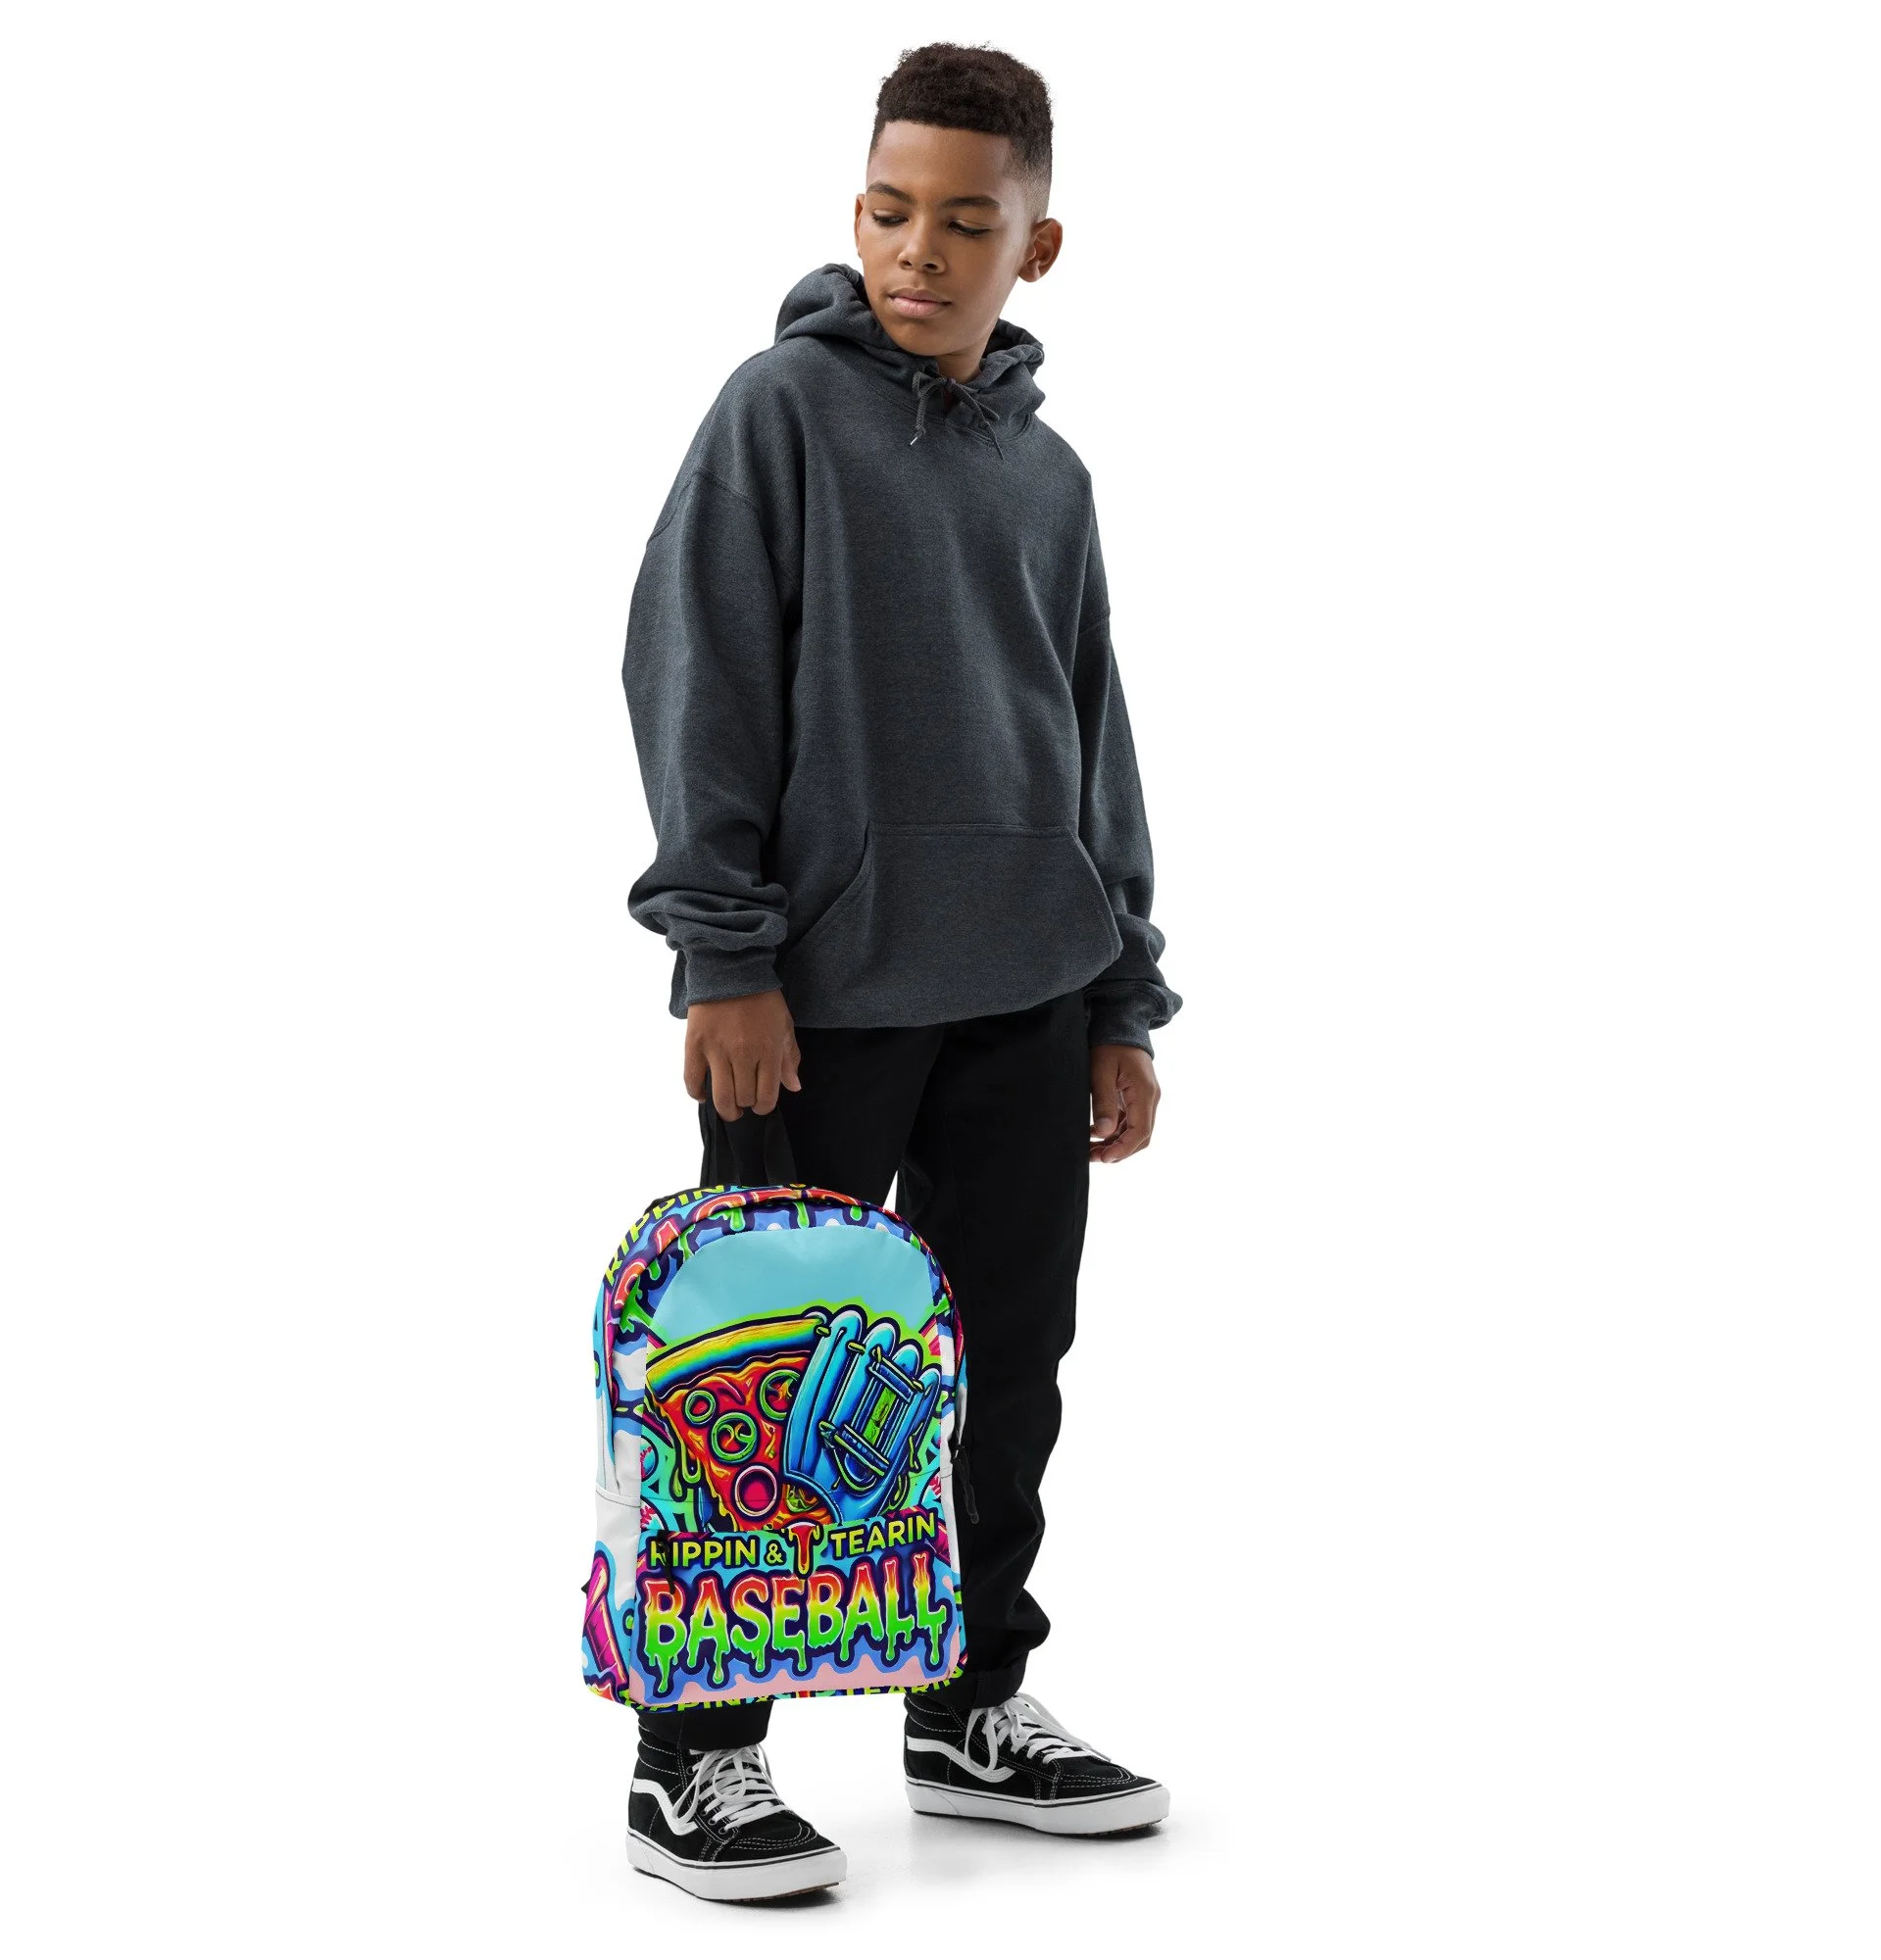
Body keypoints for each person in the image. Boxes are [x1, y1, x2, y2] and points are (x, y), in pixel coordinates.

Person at [617, 41, 1182, 1900]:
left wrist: (1119, 997)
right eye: (888, 210)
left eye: (965, 221)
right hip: (817, 1003)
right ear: (854, 212)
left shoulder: (1051, 477)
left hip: (1026, 991)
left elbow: (1090, 736)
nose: (919, 251)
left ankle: (968, 1708)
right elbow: (695, 676)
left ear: (1038, 245)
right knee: (758, 1372)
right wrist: (725, 955)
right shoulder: (779, 412)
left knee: (1005, 1369)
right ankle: (695, 1758)